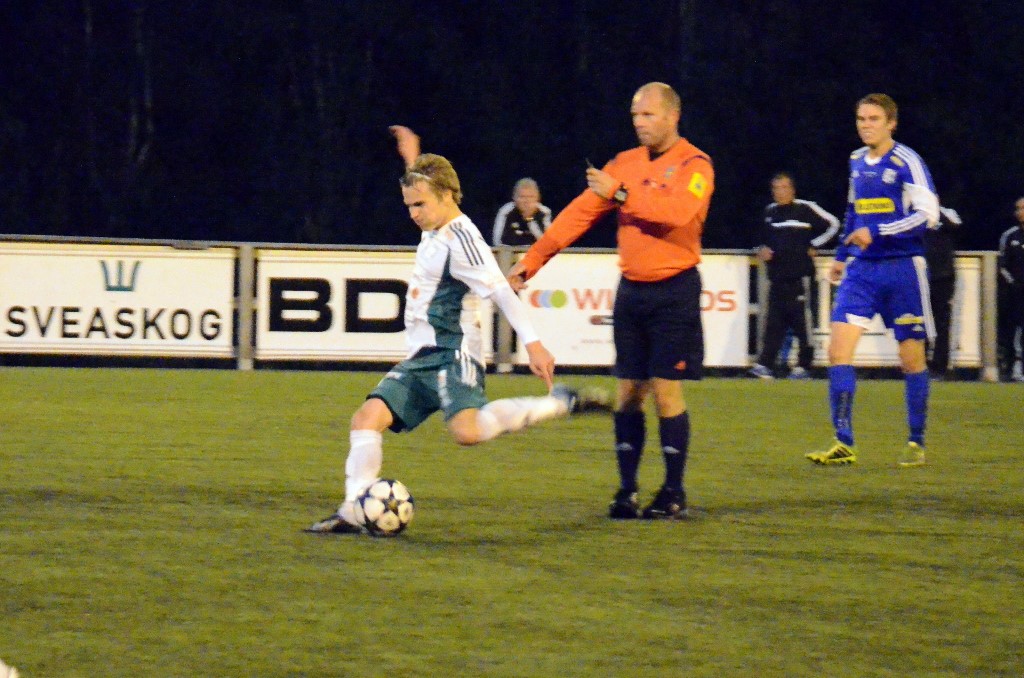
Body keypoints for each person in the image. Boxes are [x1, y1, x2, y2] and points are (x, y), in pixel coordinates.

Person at [307, 126, 606, 534]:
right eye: (408, 205)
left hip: (453, 352)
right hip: (423, 356)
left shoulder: (463, 240)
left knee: (466, 431)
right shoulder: (435, 221)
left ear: (447, 196)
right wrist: (412, 157)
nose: (413, 214)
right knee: (365, 419)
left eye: (419, 204)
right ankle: (353, 511)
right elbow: (425, 181)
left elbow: (500, 291)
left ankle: (558, 403)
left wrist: (534, 345)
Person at [508, 82, 714, 520]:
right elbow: (578, 215)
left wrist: (620, 193)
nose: (639, 123)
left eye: (648, 115)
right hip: (632, 291)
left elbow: (676, 213)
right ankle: (627, 491)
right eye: (635, 115)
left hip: (674, 290)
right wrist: (531, 263)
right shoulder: (624, 163)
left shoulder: (695, 164)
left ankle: (673, 492)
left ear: (672, 116)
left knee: (666, 392)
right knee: (628, 392)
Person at [806, 93, 939, 468]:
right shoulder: (856, 161)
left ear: (891, 123)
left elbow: (927, 215)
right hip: (862, 270)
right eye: (861, 119)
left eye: (874, 119)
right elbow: (853, 211)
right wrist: (842, 256)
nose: (866, 125)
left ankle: (915, 441)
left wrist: (877, 232)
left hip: (902, 269)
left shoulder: (907, 161)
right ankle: (843, 442)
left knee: (911, 359)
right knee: (837, 352)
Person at [749, 172, 840, 380]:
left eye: (784, 187)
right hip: (777, 277)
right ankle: (765, 365)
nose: (780, 192)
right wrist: (760, 248)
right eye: (776, 188)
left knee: (803, 322)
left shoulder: (805, 208)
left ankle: (803, 366)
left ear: (792, 189)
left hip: (801, 276)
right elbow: (758, 237)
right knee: (774, 323)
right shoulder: (769, 212)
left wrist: (815, 244)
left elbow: (834, 224)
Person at [925, 205, 963, 378]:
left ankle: (940, 367)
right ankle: (920, 365)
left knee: (942, 323)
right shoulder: (913, 213)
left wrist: (935, 211)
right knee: (919, 323)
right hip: (920, 275)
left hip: (943, 277)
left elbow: (957, 226)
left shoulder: (947, 212)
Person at [998, 197, 1024, 382]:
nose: (1020, 212)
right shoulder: (1010, 236)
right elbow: (1002, 265)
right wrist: (1014, 283)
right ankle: (1014, 366)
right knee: (1015, 329)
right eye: (1018, 208)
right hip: (1017, 292)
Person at [492, 178, 553, 246]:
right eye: (522, 197)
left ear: (538, 198)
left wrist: (530, 219)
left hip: (537, 251)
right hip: (511, 251)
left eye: (531, 197)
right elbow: (497, 241)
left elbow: (548, 243)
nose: (526, 201)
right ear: (514, 198)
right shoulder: (506, 211)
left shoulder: (544, 212)